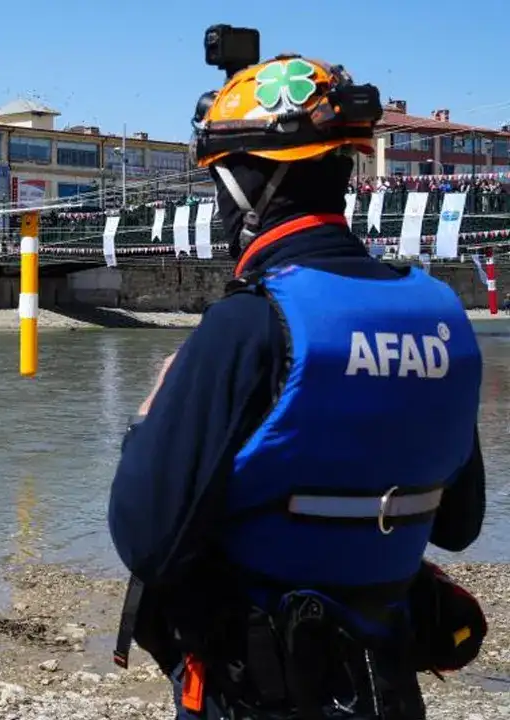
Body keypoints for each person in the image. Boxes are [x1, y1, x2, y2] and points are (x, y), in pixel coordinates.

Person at [107, 38, 485, 720]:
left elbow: (145, 539)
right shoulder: (440, 312)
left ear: (250, 184)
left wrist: (149, 418)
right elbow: (458, 523)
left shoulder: (250, 325)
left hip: (257, 689)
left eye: (218, 180)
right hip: (386, 686)